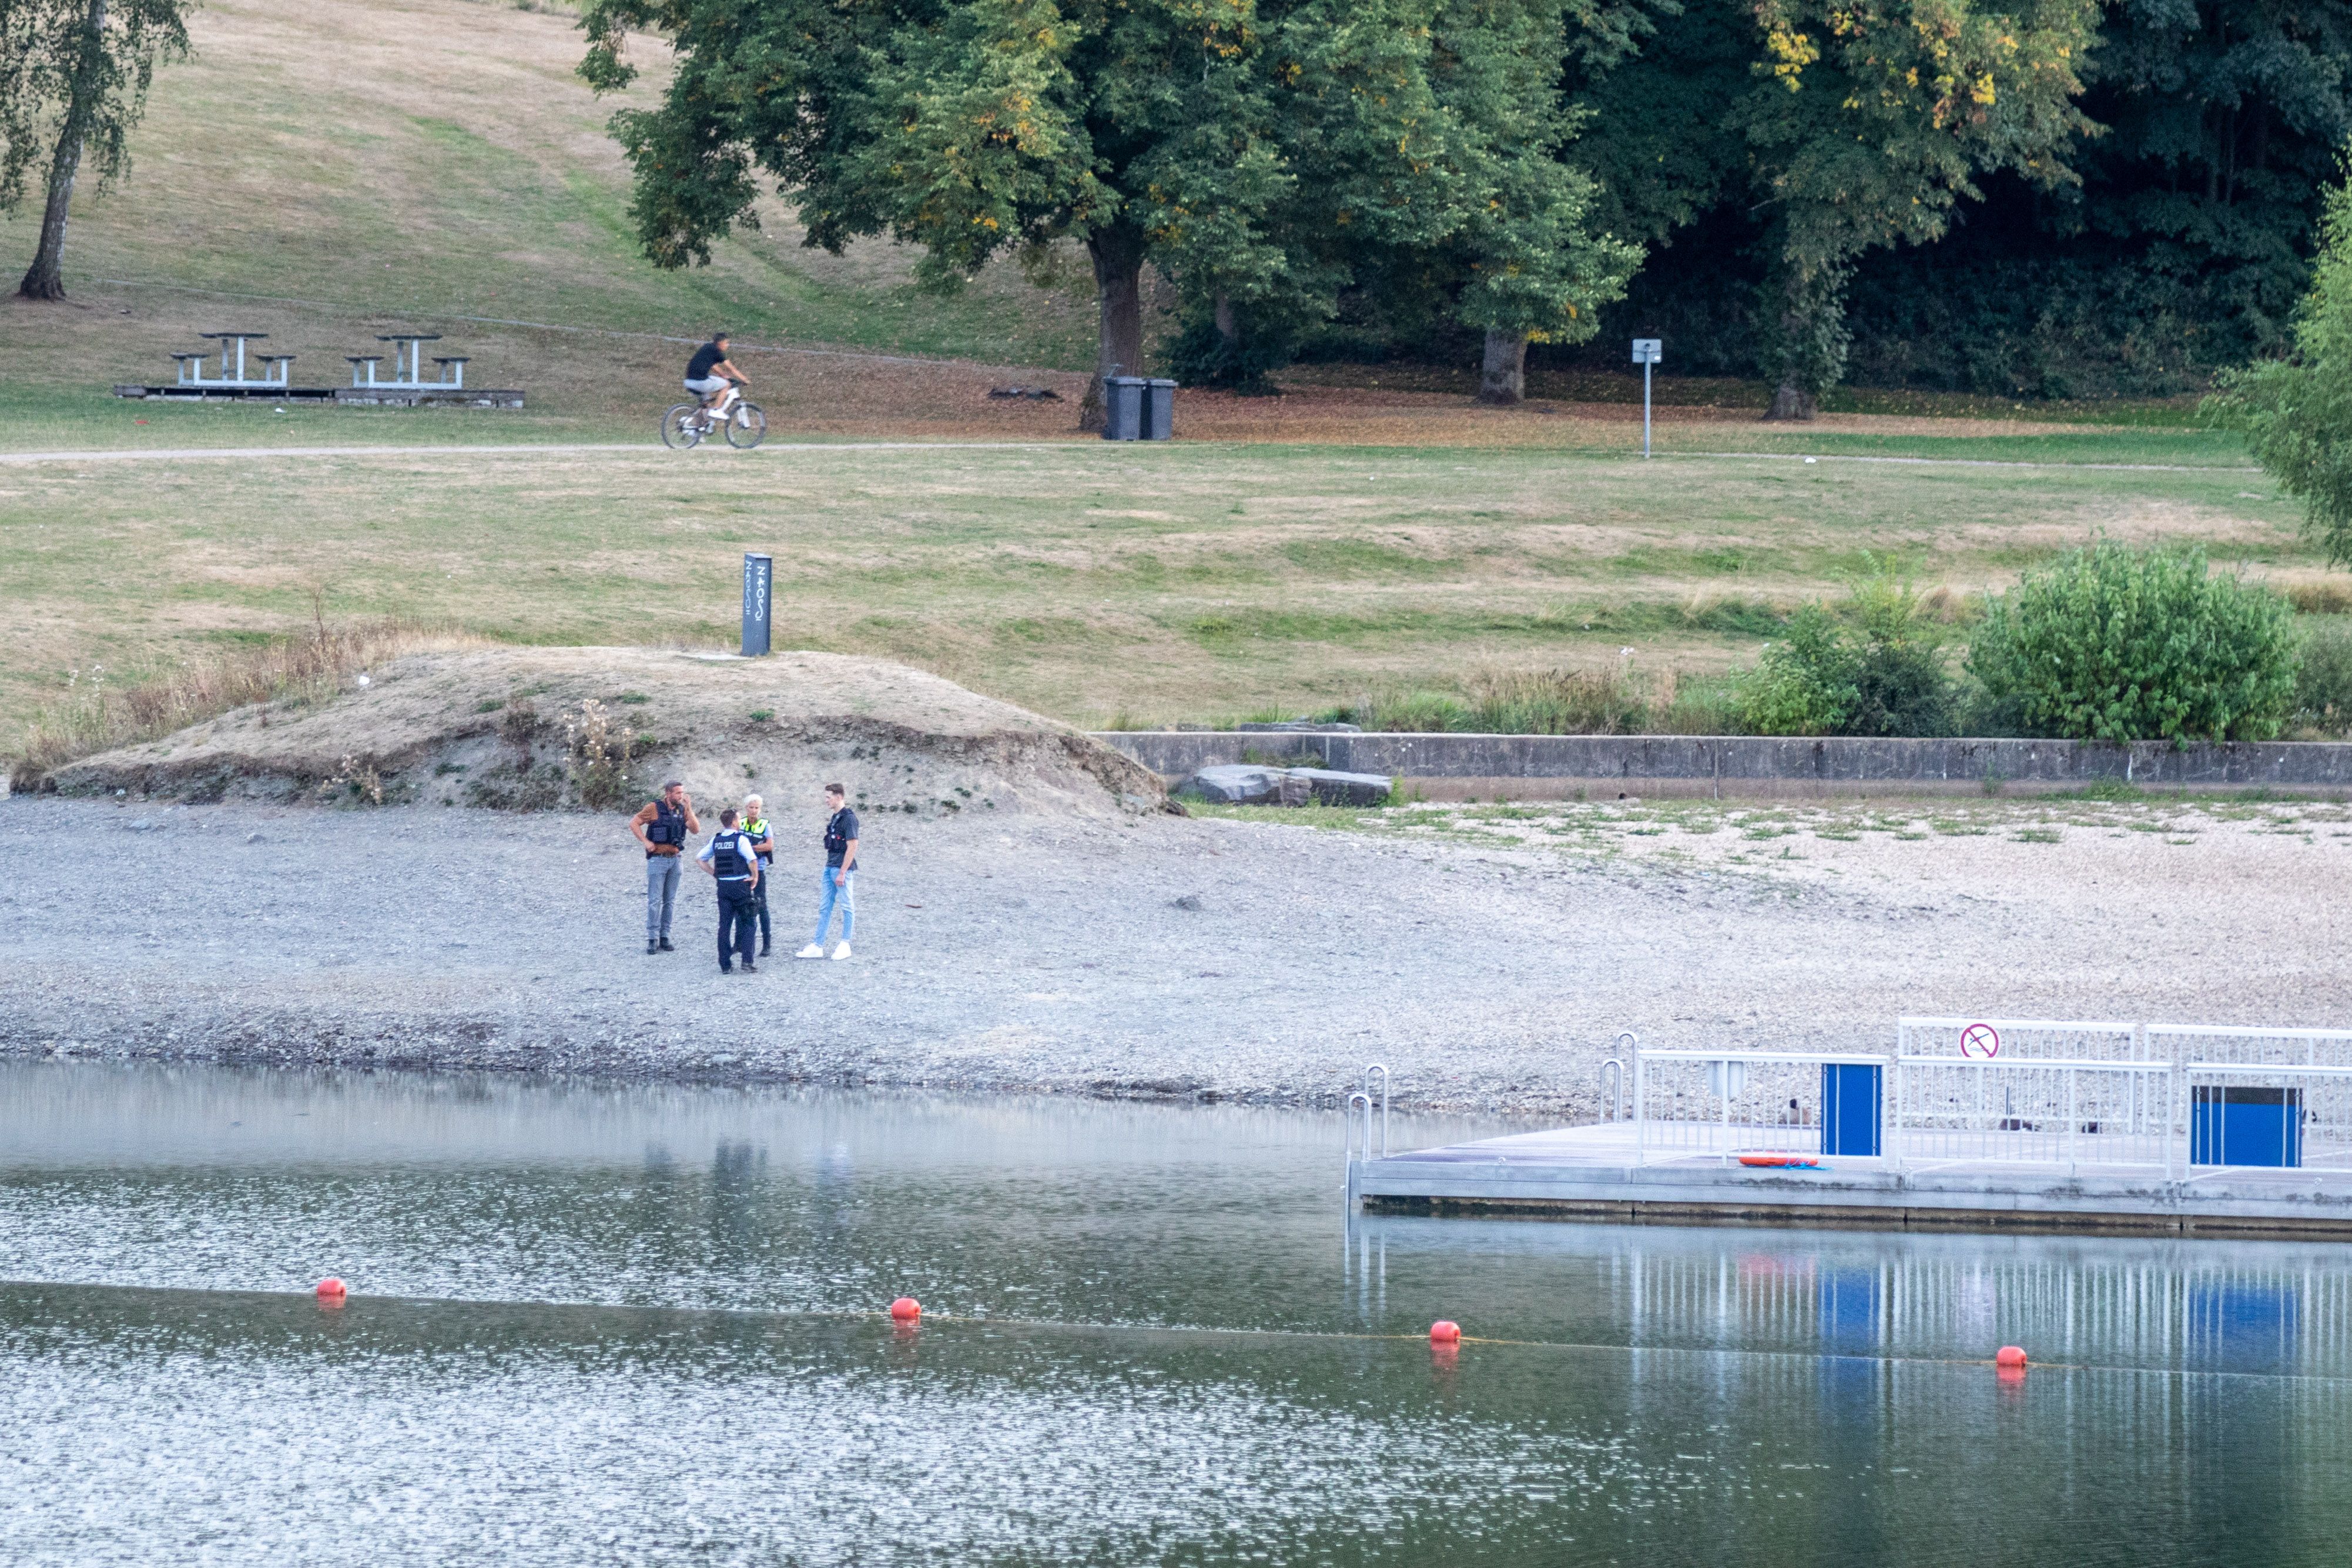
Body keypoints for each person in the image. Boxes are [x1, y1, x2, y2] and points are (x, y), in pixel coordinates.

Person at [629, 779, 699, 954]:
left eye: (682, 793)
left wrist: (689, 807)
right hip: (658, 859)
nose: (681, 796)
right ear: (668, 793)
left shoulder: (682, 810)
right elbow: (634, 823)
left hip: (675, 859)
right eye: (677, 793)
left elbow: (696, 830)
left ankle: (665, 936)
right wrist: (646, 842)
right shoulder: (654, 808)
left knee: (670, 901)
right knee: (654, 901)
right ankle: (652, 938)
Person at [696, 806, 763, 973]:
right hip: (740, 886)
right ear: (734, 822)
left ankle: (725, 964)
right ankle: (747, 961)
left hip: (723, 887)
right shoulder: (740, 839)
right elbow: (753, 860)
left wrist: (715, 874)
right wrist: (755, 877)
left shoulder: (716, 840)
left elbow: (700, 859)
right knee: (749, 922)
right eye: (739, 819)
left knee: (724, 925)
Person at [796, 783, 859, 961]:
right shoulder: (836, 817)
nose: (826, 800)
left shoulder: (849, 819)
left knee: (847, 906)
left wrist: (842, 872)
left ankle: (845, 943)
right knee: (825, 908)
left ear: (839, 797)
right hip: (830, 866)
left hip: (841, 869)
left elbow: (853, 846)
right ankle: (818, 945)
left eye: (828, 797)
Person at [682, 333, 746, 428]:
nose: (728, 345)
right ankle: (716, 410)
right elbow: (731, 368)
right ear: (720, 343)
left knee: (705, 404)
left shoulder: (707, 347)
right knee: (726, 385)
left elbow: (712, 366)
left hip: (689, 381)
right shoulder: (717, 352)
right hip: (700, 382)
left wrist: (723, 375)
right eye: (726, 343)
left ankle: (698, 429)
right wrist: (745, 380)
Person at [741, 793, 775, 958]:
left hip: (759, 869)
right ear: (746, 808)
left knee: (761, 905)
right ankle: (742, 942)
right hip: (742, 868)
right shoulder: (740, 823)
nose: (754, 811)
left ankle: (767, 942)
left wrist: (750, 849)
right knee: (742, 905)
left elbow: (769, 846)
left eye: (756, 808)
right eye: (751, 807)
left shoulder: (764, 825)